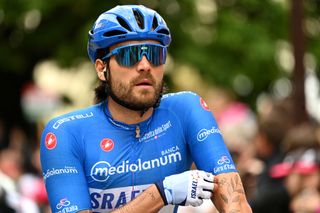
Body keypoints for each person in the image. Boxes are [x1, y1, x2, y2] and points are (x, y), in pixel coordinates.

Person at [40, 5, 252, 213]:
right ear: (102, 69)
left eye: (154, 54)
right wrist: (161, 193)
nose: (144, 65)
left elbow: (236, 201)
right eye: (129, 55)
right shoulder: (65, 133)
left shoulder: (186, 110)